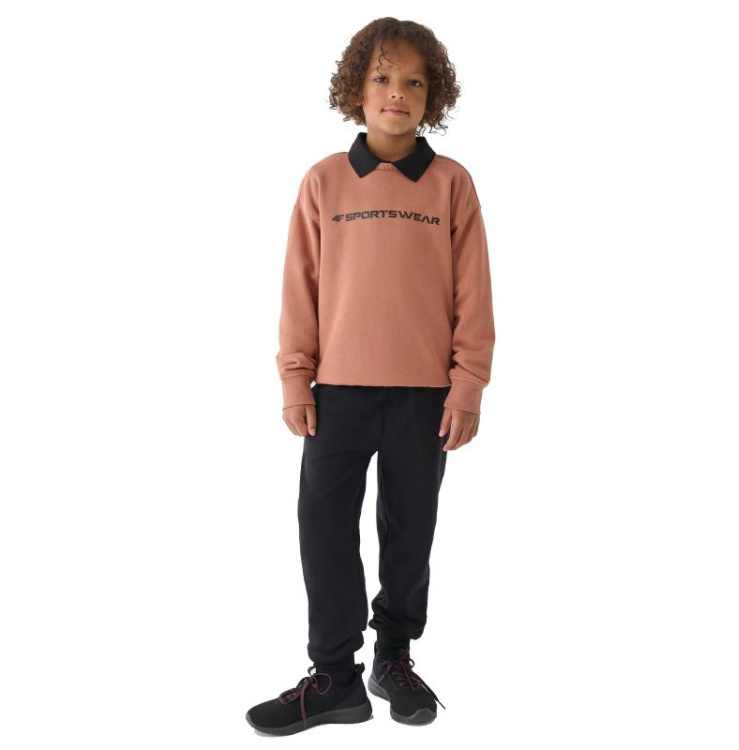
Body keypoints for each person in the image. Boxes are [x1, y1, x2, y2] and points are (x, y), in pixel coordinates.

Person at [246, 17, 495, 736]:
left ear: (433, 95)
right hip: (337, 394)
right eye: (383, 78)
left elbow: (474, 292)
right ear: (355, 90)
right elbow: (300, 287)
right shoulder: (324, 181)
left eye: (414, 81)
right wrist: (295, 377)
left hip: (426, 396)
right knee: (323, 525)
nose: (397, 93)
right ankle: (334, 676)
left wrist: (468, 384)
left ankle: (394, 658)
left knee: (410, 528)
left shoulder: (451, 184)